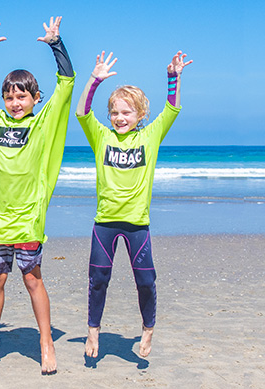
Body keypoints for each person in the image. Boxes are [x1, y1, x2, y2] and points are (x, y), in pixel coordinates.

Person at [0, 17, 75, 375]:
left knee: (32, 279)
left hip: (28, 216)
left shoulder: (42, 122)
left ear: (35, 98)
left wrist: (56, 44)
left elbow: (67, 83)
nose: (15, 102)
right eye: (10, 97)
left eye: (22, 96)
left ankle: (46, 341)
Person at [75, 51, 193, 358]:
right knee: (98, 280)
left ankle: (148, 330)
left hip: (138, 224)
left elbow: (172, 109)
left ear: (140, 115)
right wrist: (94, 79)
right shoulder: (101, 136)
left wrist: (174, 77)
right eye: (115, 112)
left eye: (127, 113)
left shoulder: (150, 137)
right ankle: (93, 333)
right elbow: (82, 112)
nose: (119, 118)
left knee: (145, 281)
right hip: (105, 223)